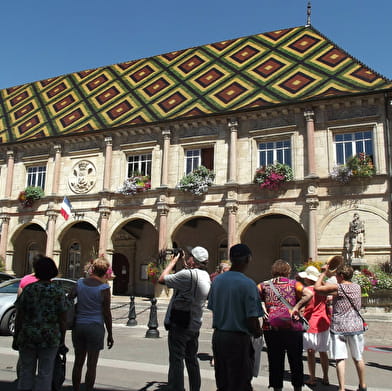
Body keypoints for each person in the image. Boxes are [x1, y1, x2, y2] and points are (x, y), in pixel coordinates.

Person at [208, 244, 263, 391]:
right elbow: (252, 318)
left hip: (219, 336)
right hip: (238, 339)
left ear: (231, 259)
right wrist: (258, 332)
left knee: (223, 380)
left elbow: (213, 307)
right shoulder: (248, 284)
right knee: (240, 382)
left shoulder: (217, 281)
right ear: (248, 259)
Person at [158, 246, 211, 391]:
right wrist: (183, 261)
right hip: (194, 324)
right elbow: (188, 278)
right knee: (191, 359)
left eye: (189, 256)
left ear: (193, 260)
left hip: (180, 323)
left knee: (176, 359)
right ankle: (195, 388)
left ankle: (176, 387)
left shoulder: (187, 275)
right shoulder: (205, 276)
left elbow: (162, 279)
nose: (187, 257)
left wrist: (173, 261)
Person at [13, 255, 69, 391]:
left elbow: (19, 315)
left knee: (26, 371)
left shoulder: (29, 289)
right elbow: (63, 318)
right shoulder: (58, 292)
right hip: (50, 336)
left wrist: (16, 335)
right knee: (45, 373)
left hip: (28, 335)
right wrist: (62, 338)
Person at [257, 260, 313, 391]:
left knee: (275, 360)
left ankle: (277, 388)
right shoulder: (294, 284)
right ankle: (297, 387)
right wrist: (297, 307)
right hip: (292, 326)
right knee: (296, 360)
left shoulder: (264, 285)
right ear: (288, 272)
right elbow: (309, 294)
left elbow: (253, 296)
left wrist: (262, 306)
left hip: (271, 327)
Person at [314, 263, 367, 391]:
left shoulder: (339, 288)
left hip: (339, 327)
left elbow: (317, 288)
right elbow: (330, 288)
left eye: (337, 275)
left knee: (340, 358)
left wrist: (323, 273)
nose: (336, 277)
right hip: (355, 326)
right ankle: (363, 385)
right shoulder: (357, 287)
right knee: (358, 357)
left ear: (341, 276)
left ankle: (341, 388)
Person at [69, 257, 114, 391]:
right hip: (95, 326)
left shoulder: (80, 283)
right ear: (105, 272)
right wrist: (110, 333)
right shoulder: (104, 288)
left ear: (93, 269)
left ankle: (76, 388)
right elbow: (107, 313)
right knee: (91, 365)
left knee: (78, 363)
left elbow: (69, 298)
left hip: (79, 325)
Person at [298, 266, 331, 386]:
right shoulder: (323, 288)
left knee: (311, 352)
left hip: (311, 323)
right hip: (323, 322)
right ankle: (326, 377)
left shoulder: (307, 290)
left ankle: (312, 378)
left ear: (308, 279)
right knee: (323, 352)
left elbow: (308, 308)